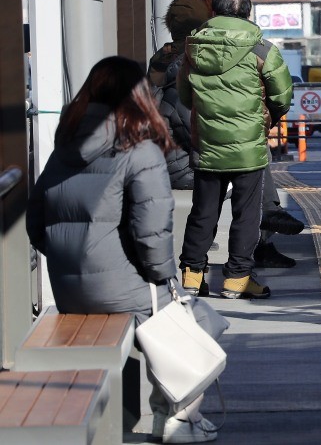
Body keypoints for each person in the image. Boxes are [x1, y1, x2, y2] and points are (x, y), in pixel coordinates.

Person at [27, 56, 228, 444]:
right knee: (199, 323)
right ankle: (178, 420)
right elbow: (152, 235)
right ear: (140, 98)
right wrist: (164, 281)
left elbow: (36, 225)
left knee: (168, 316)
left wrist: (76, 261)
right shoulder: (139, 150)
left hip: (69, 289)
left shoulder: (63, 150)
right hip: (120, 290)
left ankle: (163, 417)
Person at [178, 0, 293, 300]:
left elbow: (186, 96)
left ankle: (192, 276)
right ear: (248, 13)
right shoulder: (262, 50)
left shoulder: (193, 48)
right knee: (247, 214)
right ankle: (237, 280)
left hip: (207, 144)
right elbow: (282, 95)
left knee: (203, 212)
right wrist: (266, 118)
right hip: (248, 147)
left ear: (213, 13)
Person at [147, 0, 213, 190]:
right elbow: (194, 132)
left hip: (161, 165)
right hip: (185, 170)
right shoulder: (188, 68)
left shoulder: (160, 60)